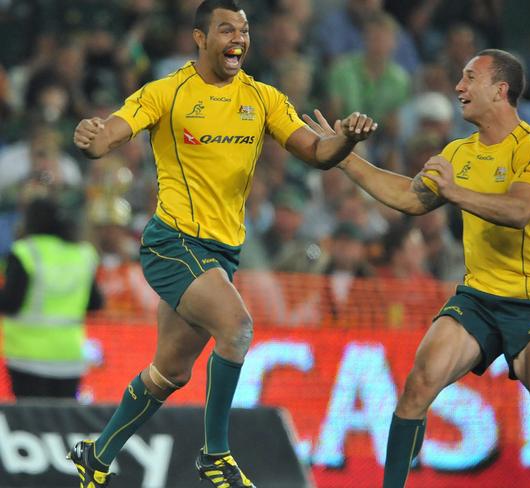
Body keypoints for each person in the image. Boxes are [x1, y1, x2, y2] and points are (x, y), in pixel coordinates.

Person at [303, 49, 530, 487]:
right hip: (479, 297)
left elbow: (520, 210)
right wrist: (345, 155)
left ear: (500, 90)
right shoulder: (459, 152)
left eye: (470, 78)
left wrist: (455, 191)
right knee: (418, 383)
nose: (459, 87)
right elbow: (411, 198)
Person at [67, 1, 377, 487]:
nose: (239, 38)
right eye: (226, 29)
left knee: (169, 373)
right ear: (199, 37)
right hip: (172, 242)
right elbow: (111, 133)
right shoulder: (167, 92)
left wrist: (346, 141)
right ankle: (215, 454)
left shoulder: (263, 98)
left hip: (220, 253)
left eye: (245, 30)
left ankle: (96, 454)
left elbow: (317, 153)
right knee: (237, 328)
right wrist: (93, 137)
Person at [0, 197, 103, 399]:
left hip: (27, 357)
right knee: (60, 423)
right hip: (69, 356)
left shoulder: (25, 252)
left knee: (31, 424)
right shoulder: (82, 254)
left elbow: (11, 303)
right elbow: (95, 303)